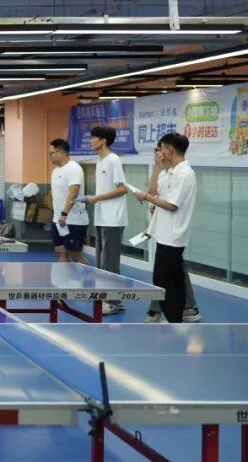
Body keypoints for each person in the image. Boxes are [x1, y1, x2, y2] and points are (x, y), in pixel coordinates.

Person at [134, 132, 196, 324]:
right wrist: (156, 167)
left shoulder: (185, 174)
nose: (159, 152)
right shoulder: (167, 173)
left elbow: (171, 205)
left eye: (161, 149)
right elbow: (153, 192)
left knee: (165, 281)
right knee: (171, 279)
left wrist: (147, 198)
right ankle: (175, 317)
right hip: (163, 234)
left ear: (170, 150)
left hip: (173, 236)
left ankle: (173, 319)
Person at [83, 125, 128, 315]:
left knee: (110, 263)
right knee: (102, 263)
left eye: (94, 138)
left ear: (103, 141)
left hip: (113, 219)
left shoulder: (113, 160)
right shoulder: (100, 161)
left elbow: (122, 189)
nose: (90, 141)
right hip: (102, 218)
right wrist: (95, 198)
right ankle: (111, 298)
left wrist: (97, 198)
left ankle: (113, 302)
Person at [47, 139, 89, 265]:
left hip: (73, 221)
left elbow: (74, 192)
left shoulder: (74, 168)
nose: (50, 157)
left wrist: (64, 213)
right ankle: (63, 278)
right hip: (58, 220)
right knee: (60, 251)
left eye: (51, 153)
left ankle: (90, 278)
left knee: (75, 254)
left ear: (61, 152)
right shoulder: (55, 171)